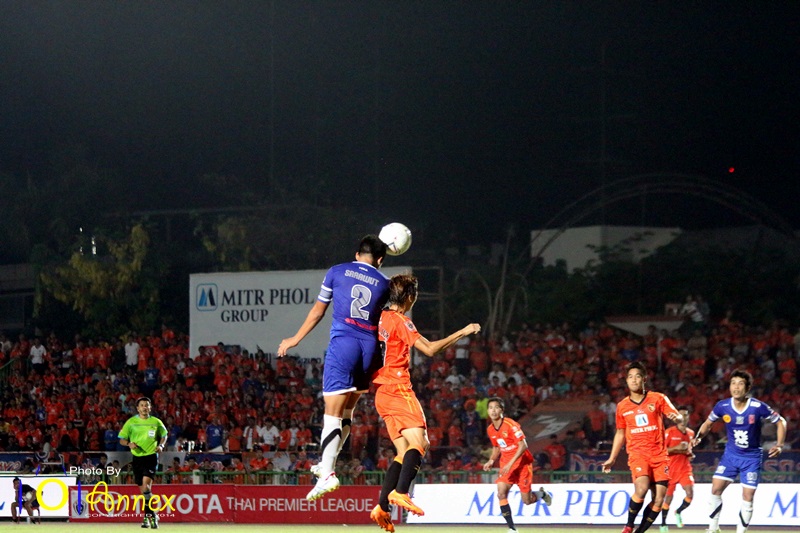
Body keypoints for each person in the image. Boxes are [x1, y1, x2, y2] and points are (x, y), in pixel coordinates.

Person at [278, 235, 391, 501]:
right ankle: (327, 463)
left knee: (332, 413)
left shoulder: (337, 271)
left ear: (357, 255)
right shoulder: (385, 283)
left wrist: (295, 339)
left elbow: (318, 311)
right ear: (380, 260)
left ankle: (327, 472)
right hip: (370, 349)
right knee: (347, 411)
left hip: (344, 345)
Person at [369, 273, 481, 531]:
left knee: (403, 452)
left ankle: (382, 506)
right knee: (421, 443)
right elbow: (429, 349)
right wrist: (463, 331)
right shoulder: (401, 321)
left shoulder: (379, 317)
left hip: (381, 393)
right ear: (409, 296)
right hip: (398, 389)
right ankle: (401, 492)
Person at [692, 370, 786, 533]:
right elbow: (708, 423)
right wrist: (699, 437)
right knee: (715, 489)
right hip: (730, 455)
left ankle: (741, 531)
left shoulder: (757, 407)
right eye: (733, 383)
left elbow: (781, 421)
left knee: (748, 496)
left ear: (747, 388)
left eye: (740, 384)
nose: (736, 387)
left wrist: (779, 445)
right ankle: (713, 529)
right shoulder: (722, 406)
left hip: (751, 458)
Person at [602, 362, 682, 533]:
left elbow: (676, 415)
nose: (633, 380)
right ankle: (628, 526)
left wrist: (677, 418)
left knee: (659, 499)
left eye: (637, 376)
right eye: (630, 377)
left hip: (659, 455)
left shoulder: (658, 398)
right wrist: (612, 458)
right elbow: (620, 433)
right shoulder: (622, 406)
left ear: (644, 379)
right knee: (642, 488)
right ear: (626, 381)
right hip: (638, 454)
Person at [483, 397, 552, 533]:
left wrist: (510, 463)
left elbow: (523, 445)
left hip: (522, 464)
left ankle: (541, 494)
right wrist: (491, 460)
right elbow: (497, 446)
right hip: (506, 465)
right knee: (501, 494)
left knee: (527, 501)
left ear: (502, 410)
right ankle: (512, 528)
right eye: (490, 408)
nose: (493, 410)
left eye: (496, 407)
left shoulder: (510, 425)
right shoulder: (490, 429)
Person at [118, 396, 168, 529]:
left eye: (147, 405)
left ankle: (149, 517)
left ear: (150, 408)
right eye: (142, 405)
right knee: (144, 492)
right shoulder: (131, 422)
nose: (144, 407)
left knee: (146, 487)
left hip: (151, 457)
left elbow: (164, 435)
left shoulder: (156, 422)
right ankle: (151, 515)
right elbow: (121, 439)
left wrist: (161, 445)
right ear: (138, 408)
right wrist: (129, 444)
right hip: (137, 459)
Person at [660, 406, 695, 532]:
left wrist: (690, 454)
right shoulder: (669, 432)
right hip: (670, 469)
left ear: (688, 417)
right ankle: (663, 524)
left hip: (685, 468)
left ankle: (678, 511)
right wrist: (676, 448)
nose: (683, 417)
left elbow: (687, 450)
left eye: (686, 415)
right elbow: (661, 451)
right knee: (668, 499)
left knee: (690, 494)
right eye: (680, 415)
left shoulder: (691, 433)